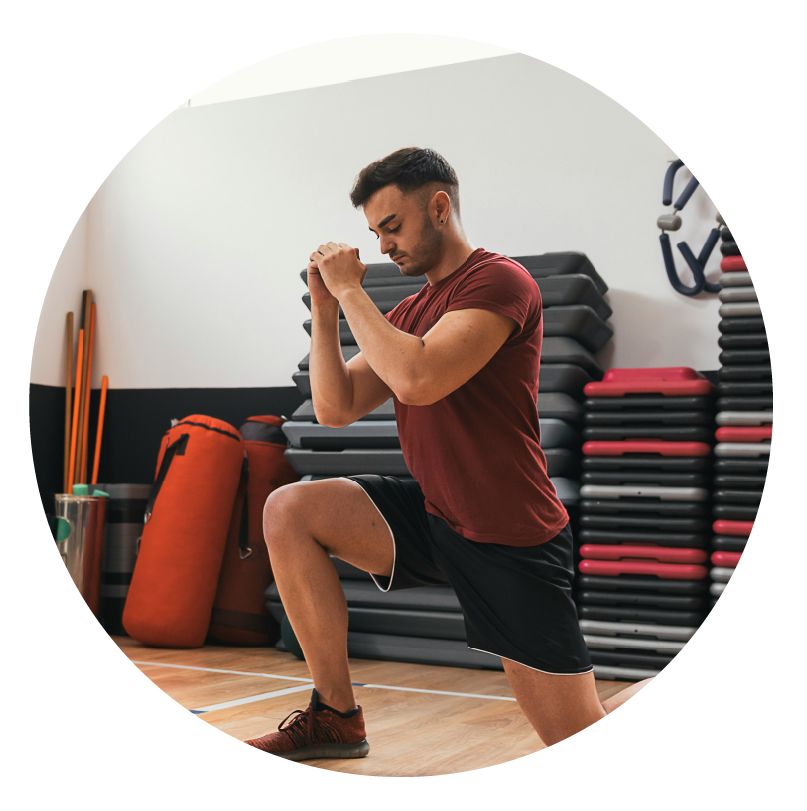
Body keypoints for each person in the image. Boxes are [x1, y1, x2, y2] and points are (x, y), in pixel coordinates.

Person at [244, 147, 652, 761]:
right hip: (438, 516)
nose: (383, 245)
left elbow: (418, 379)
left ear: (439, 208)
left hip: (508, 534)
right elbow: (335, 407)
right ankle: (335, 717)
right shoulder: (411, 311)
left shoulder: (500, 281)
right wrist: (326, 311)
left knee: (577, 739)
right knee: (290, 509)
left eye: (392, 226)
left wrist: (351, 290)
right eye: (374, 233)